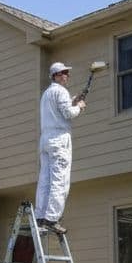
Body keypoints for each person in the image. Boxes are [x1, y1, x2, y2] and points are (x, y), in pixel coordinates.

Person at [35, 61, 84, 234]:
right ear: (55, 75)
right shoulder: (61, 91)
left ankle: (40, 217)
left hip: (45, 140)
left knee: (45, 180)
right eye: (63, 73)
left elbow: (58, 110)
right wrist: (78, 106)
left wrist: (72, 101)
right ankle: (52, 218)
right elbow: (68, 113)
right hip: (59, 139)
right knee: (60, 180)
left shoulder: (47, 94)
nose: (67, 75)